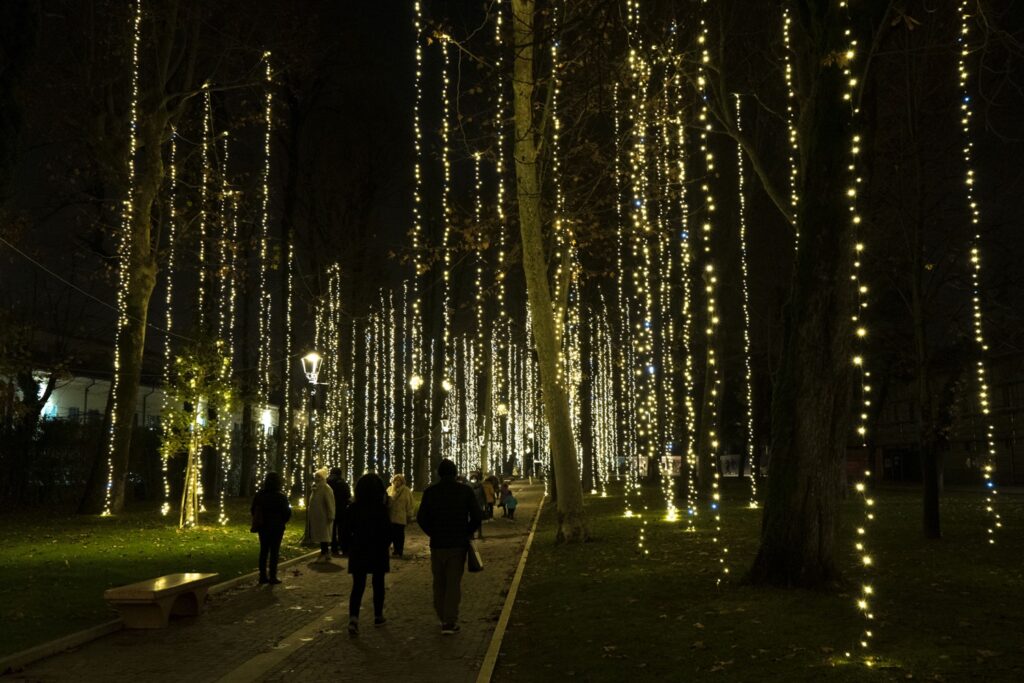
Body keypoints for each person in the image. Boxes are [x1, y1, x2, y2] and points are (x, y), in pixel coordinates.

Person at [416, 459, 482, 635]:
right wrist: (466, 531)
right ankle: (449, 620)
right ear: (454, 473)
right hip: (457, 544)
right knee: (453, 582)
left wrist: (432, 532)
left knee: (439, 582)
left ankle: (442, 615)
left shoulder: (431, 492)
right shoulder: (464, 491)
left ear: (439, 473)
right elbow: (477, 516)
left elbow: (421, 517)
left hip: (437, 543)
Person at [343, 473, 391, 636]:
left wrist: (349, 546)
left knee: (358, 585)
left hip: (359, 548)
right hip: (377, 548)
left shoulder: (354, 508)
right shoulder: (381, 509)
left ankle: (354, 618)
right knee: (378, 583)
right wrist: (386, 545)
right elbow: (387, 531)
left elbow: (346, 530)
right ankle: (378, 615)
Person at [251, 471, 292, 585]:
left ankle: (262, 576)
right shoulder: (280, 496)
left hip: (263, 526)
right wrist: (282, 521)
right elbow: (287, 512)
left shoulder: (260, 495)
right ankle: (272, 576)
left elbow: (253, 510)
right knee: (274, 551)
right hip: (276, 526)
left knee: (263, 550)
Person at [308, 468, 336, 562]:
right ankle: (325, 553)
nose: (317, 478)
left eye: (319, 476)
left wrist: (331, 514)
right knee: (321, 535)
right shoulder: (315, 488)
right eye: (316, 476)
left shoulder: (326, 488)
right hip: (317, 516)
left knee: (324, 535)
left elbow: (330, 503)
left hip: (323, 516)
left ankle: (324, 553)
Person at [386, 474, 415, 558]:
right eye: (395, 480)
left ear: (402, 481)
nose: (397, 482)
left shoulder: (406, 491)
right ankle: (395, 550)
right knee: (391, 534)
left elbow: (409, 503)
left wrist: (409, 514)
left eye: (399, 480)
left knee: (399, 534)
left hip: (401, 516)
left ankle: (399, 550)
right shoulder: (389, 489)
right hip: (391, 516)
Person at [327, 467, 352, 556]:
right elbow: (348, 495)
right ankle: (344, 548)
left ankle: (334, 549)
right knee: (342, 529)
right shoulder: (343, 483)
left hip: (330, 508)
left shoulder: (327, 482)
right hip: (341, 509)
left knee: (332, 530)